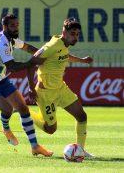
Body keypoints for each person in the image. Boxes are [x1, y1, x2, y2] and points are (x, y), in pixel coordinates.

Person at [0, 14, 53, 157]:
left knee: (23, 108)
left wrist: (42, 54)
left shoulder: (11, 39)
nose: (16, 28)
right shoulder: (2, 43)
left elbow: (27, 47)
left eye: (17, 25)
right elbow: (11, 66)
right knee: (8, 109)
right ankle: (6, 128)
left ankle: (35, 146)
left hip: (1, 79)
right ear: (4, 27)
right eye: (12, 25)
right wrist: (32, 63)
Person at [27, 17, 93, 157]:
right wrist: (31, 89)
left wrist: (82, 60)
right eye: (73, 34)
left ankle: (80, 150)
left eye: (77, 34)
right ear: (64, 32)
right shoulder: (52, 46)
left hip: (61, 89)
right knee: (50, 129)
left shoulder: (63, 46)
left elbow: (65, 56)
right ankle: (25, 111)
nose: (76, 37)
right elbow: (31, 63)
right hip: (46, 94)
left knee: (81, 116)